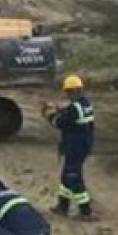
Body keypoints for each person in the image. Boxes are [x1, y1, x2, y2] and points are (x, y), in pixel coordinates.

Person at [44, 74, 96, 220]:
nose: (67, 95)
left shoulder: (75, 109)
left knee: (74, 177)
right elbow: (71, 112)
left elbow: (61, 123)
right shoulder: (85, 104)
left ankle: (86, 211)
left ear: (73, 91)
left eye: (68, 92)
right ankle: (63, 205)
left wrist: (50, 115)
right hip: (82, 146)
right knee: (66, 176)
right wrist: (60, 109)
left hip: (75, 148)